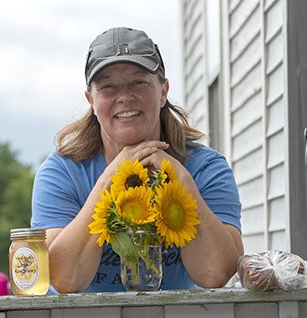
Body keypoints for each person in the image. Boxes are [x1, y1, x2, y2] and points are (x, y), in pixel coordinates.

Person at [31, 27, 243, 293]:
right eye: (108, 87)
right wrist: (109, 179)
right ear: (91, 101)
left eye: (139, 82)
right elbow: (63, 280)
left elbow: (218, 274)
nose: (125, 97)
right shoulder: (61, 172)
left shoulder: (206, 168)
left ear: (163, 91)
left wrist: (183, 183)